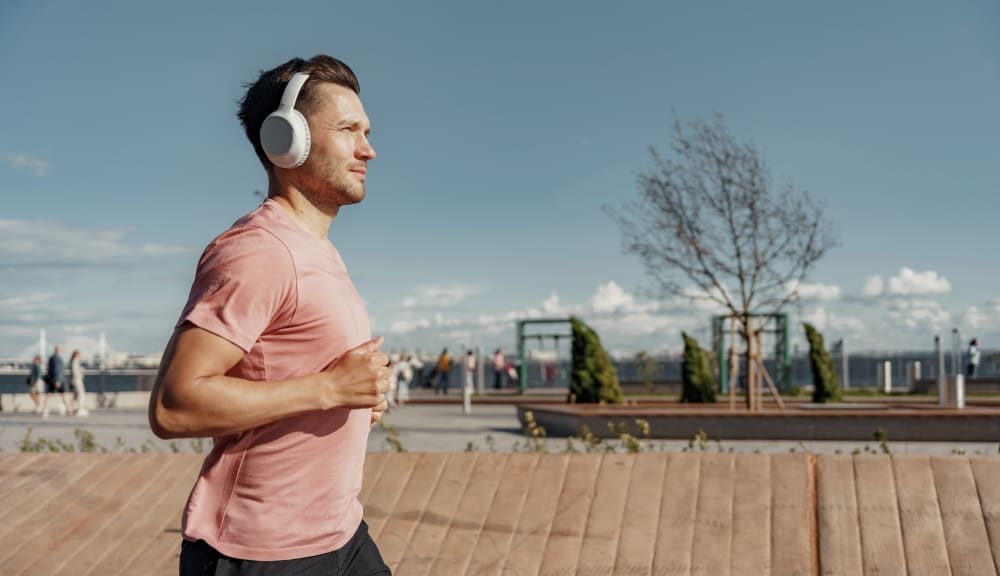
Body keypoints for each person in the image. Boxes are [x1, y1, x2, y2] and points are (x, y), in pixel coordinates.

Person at [147, 55, 391, 575]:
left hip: (339, 531)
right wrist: (330, 390)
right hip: (262, 552)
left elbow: (296, 372)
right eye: (349, 130)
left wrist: (351, 400)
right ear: (286, 140)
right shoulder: (258, 251)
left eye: (366, 131)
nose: (368, 148)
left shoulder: (316, 250)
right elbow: (174, 405)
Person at [42, 345, 70, 418]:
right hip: (58, 380)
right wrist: (57, 380)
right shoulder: (56, 358)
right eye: (60, 349)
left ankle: (45, 409)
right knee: (63, 395)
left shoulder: (52, 358)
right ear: (58, 350)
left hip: (54, 379)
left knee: (49, 395)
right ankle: (69, 409)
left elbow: (50, 370)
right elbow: (57, 370)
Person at [68, 350, 89, 416]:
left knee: (75, 396)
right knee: (81, 394)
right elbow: (75, 372)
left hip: (74, 380)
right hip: (77, 380)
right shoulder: (75, 361)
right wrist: (81, 371)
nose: (80, 356)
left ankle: (71, 409)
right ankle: (80, 409)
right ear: (76, 355)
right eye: (79, 354)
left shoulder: (72, 361)